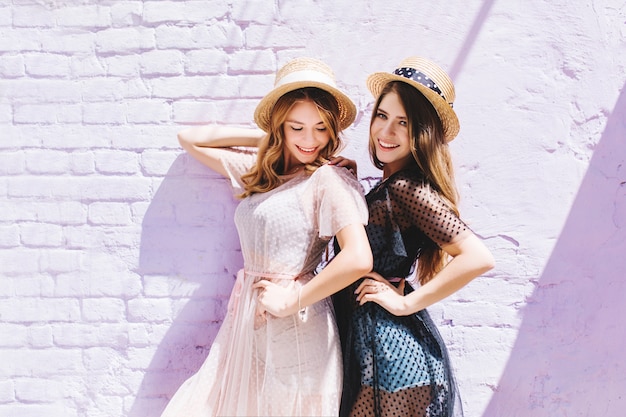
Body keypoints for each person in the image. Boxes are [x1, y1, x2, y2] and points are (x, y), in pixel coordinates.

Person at [160, 57, 373, 417]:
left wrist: (293, 300)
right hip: (246, 321)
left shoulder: (329, 179)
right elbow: (191, 140)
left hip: (297, 323)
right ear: (281, 127)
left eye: (321, 128)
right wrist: (266, 137)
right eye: (296, 127)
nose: (310, 140)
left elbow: (358, 258)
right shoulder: (263, 174)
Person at [330, 57, 496, 417]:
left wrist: (407, 303)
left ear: (422, 131)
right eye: (382, 116)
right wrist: (355, 189)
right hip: (372, 350)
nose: (386, 132)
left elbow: (478, 257)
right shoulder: (392, 188)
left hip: (391, 355)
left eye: (402, 122)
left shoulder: (407, 188)